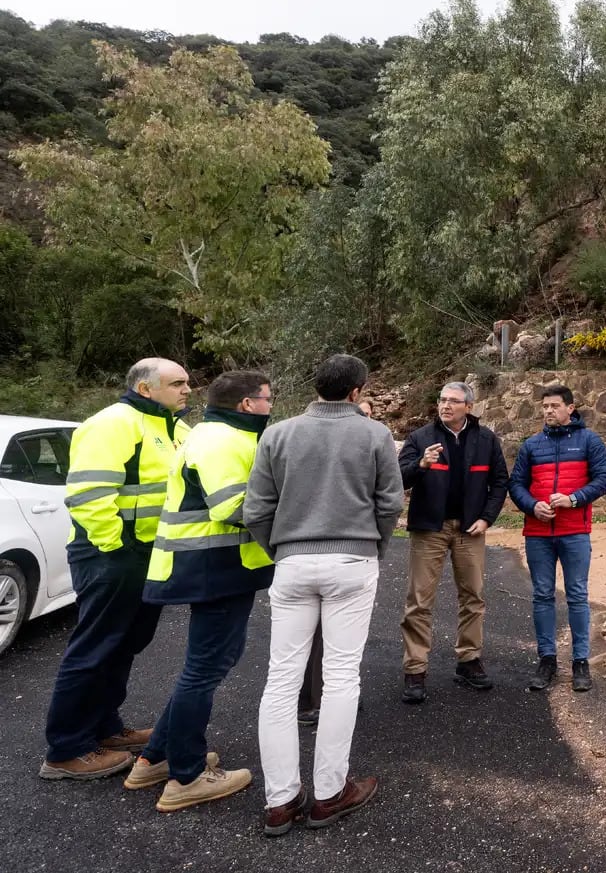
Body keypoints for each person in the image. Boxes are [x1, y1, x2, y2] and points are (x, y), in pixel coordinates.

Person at [247, 354, 402, 836]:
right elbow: (389, 503)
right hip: (353, 561)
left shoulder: (277, 435)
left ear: (317, 387)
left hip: (292, 563)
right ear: (357, 392)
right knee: (340, 676)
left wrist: (281, 551)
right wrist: (374, 548)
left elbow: (256, 509)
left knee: (281, 680)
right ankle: (329, 793)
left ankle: (280, 801)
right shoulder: (374, 435)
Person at [126, 371, 273, 810]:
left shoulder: (217, 434)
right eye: (267, 399)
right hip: (213, 568)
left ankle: (155, 758)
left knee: (208, 663)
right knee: (204, 670)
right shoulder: (221, 440)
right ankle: (186, 776)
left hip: (217, 567)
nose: (270, 406)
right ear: (247, 404)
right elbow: (231, 506)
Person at [40, 358, 190, 781]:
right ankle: (66, 749)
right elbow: (89, 494)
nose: (187, 390)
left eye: (187, 382)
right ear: (145, 388)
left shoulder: (176, 428)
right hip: (112, 554)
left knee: (125, 644)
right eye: (177, 383)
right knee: (96, 647)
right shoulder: (112, 424)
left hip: (150, 555)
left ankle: (104, 728)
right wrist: (116, 547)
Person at [398, 381, 510, 703]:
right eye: (442, 400)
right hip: (429, 529)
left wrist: (486, 518)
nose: (445, 405)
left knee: (473, 596)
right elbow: (398, 478)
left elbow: (499, 481)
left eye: (453, 401)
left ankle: (469, 660)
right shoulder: (420, 438)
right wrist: (421, 465)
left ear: (468, 407)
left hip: (469, 529)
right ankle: (415, 669)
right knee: (419, 601)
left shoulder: (486, 439)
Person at [508, 384, 606, 693]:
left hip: (575, 531)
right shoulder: (531, 445)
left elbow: (603, 479)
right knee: (542, 595)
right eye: (545, 407)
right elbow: (516, 484)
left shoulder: (589, 441)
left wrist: (574, 499)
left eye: (554, 406)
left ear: (570, 408)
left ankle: (580, 662)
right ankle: (547, 660)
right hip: (538, 533)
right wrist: (532, 506)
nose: (548, 411)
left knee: (577, 595)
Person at [298, 396, 376, 728]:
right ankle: (312, 702)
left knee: (340, 635)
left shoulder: (366, 444)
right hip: (331, 550)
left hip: (344, 550)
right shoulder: (322, 444)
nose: (365, 420)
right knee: (316, 633)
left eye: (369, 415)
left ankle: (334, 695)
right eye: (361, 413)